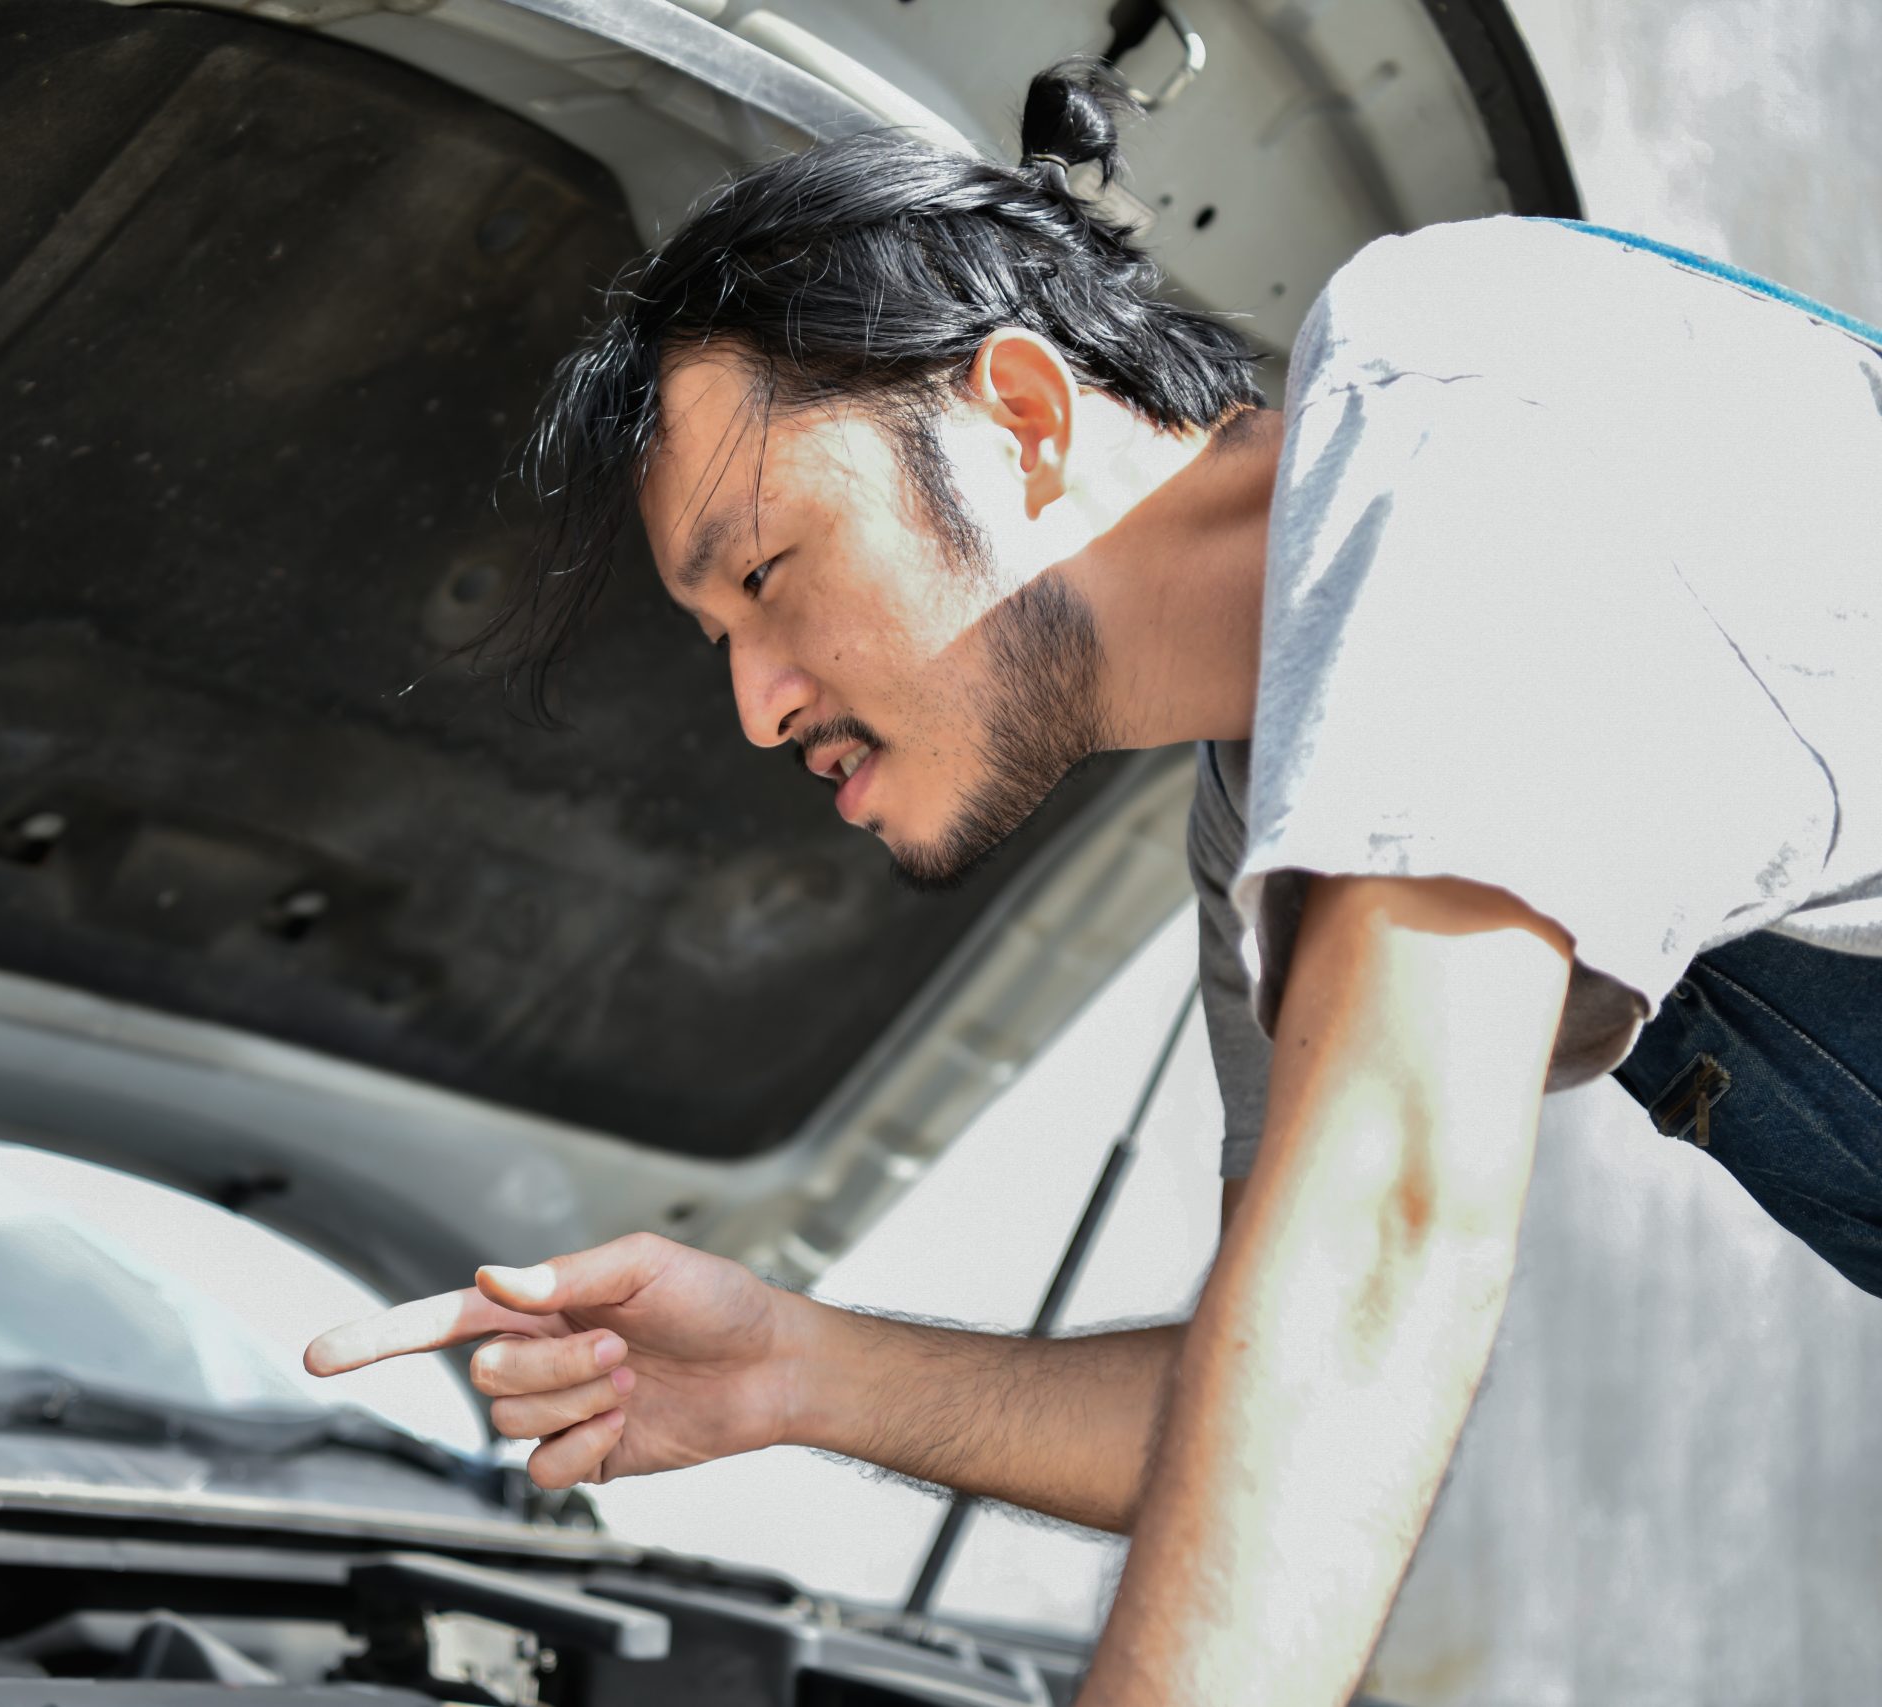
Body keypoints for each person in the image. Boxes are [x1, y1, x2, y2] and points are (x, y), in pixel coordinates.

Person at [303, 57, 1882, 1707]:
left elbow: (1377, 1247)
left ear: (1028, 419)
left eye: (764, 574)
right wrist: (799, 1368)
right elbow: (1258, 1400)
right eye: (720, 642)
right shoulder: (1271, 799)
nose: (755, 705)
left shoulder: (1461, 411)